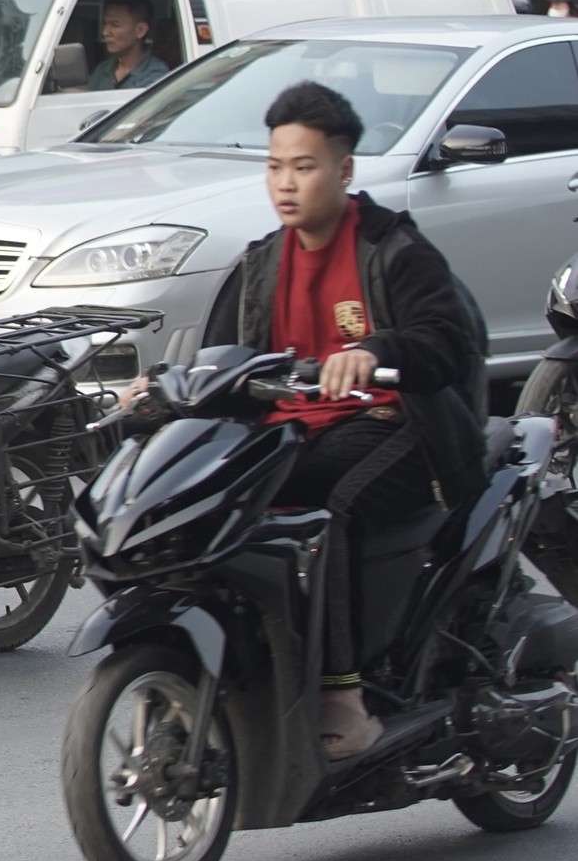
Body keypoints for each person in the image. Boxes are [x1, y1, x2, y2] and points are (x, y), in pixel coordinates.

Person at [195, 82, 485, 758]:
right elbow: (223, 360)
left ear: (344, 169)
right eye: (275, 166)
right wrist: (160, 388)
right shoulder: (261, 262)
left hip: (396, 426)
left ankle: (344, 694)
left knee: (324, 511)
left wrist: (377, 350)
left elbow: (447, 340)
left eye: (304, 166)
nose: (286, 184)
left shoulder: (392, 247)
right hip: (295, 430)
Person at [85, 0, 169, 91]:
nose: (105, 32)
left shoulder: (156, 74)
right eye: (105, 24)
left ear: (140, 30)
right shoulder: (103, 69)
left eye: (115, 25)